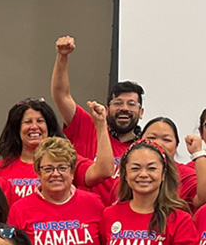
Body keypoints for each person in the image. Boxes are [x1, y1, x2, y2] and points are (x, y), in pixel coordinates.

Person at [0, 98, 114, 200]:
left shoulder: (65, 162)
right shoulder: (0, 169)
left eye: (40, 121)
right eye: (27, 122)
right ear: (16, 129)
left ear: (49, 127)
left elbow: (104, 171)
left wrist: (101, 124)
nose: (34, 127)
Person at [50, 35, 143, 163]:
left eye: (131, 104)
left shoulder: (147, 148)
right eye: (118, 103)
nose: (124, 108)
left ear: (141, 112)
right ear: (106, 109)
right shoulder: (89, 130)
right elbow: (61, 95)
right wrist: (62, 56)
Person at [139, 117, 206, 209]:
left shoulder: (185, 174)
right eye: (151, 138)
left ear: (176, 145)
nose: (158, 143)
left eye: (166, 140)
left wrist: (198, 153)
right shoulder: (128, 171)